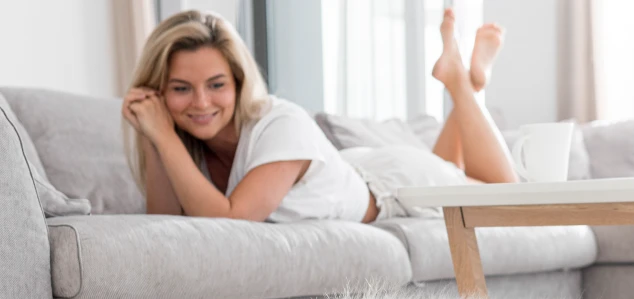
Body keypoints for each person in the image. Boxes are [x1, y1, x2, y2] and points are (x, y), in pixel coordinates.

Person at [122, 9, 517, 224]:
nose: (201, 102)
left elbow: (233, 220)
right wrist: (153, 134)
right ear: (159, 91)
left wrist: (167, 139)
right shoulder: (181, 142)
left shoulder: (280, 124)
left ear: (240, 83)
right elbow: (164, 224)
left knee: (505, 196)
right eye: (180, 89)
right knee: (448, 168)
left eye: (216, 84)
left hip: (392, 185)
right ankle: (465, 79)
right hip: (360, 170)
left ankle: (462, 84)